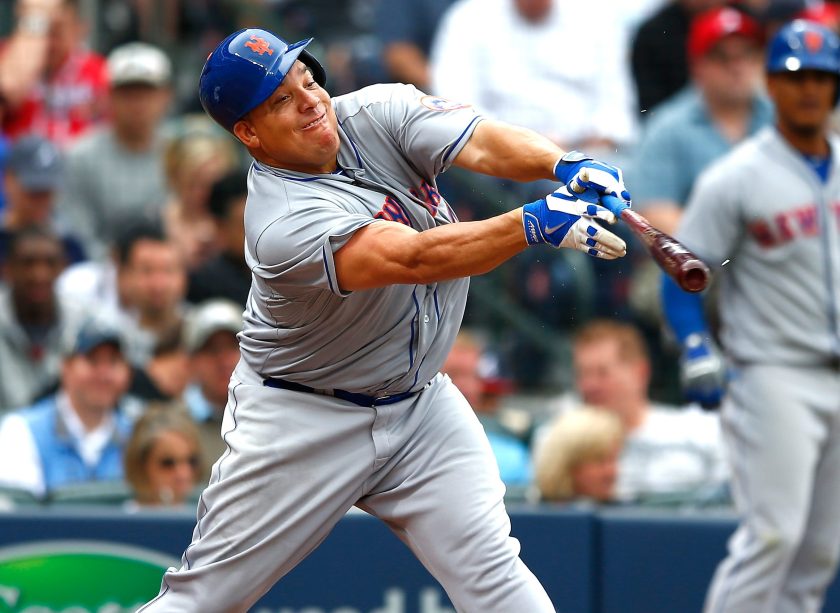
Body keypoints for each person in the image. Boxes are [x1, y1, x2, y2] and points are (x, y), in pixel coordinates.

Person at [138, 27, 630, 611]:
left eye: (306, 79)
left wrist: (561, 162)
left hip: (419, 405)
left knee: (494, 575)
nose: (310, 100)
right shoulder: (278, 224)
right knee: (204, 601)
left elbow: (482, 142)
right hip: (304, 418)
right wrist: (529, 224)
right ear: (248, 133)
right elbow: (416, 257)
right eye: (281, 101)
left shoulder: (374, 109)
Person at [661, 20, 840, 612]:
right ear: (771, 84)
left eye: (821, 76)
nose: (810, 89)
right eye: (795, 77)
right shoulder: (735, 175)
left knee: (820, 550)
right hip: (773, 372)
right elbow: (685, 275)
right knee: (773, 535)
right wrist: (695, 347)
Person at [546, 319, 729, 504]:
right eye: (583, 373)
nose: (589, 385)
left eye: (602, 372)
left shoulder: (699, 430)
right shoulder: (559, 438)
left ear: (640, 373)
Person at [631, 5, 771, 236]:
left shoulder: (778, 117)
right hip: (701, 263)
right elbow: (653, 211)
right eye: (722, 57)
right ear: (698, 65)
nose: (736, 67)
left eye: (746, 54)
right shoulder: (667, 128)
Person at [430, 0, 637, 156]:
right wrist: (526, 145)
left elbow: (615, 103)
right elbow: (455, 106)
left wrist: (593, 145)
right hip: (503, 155)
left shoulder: (596, 16)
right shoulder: (469, 18)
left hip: (587, 152)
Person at [57, 41, 173, 262]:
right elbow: (78, 232)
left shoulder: (178, 153)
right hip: (98, 272)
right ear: (108, 96)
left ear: (166, 95)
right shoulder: (80, 155)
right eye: (127, 93)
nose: (137, 103)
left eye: (146, 92)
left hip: (167, 270)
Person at [0, 317, 132, 498]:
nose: (105, 374)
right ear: (66, 367)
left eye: (114, 362)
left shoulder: (136, 434)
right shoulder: (21, 430)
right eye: (93, 361)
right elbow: (19, 514)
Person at [0, 226, 86, 413]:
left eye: (50, 263)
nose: (39, 275)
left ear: (63, 267)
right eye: (28, 263)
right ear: (7, 269)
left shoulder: (83, 322)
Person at [0, 0, 108, 147]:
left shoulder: (98, 70)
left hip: (77, 164)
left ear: (78, 28)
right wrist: (36, 17)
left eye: (56, 32)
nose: (48, 42)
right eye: (43, 31)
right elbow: (9, 88)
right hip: (19, 164)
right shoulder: (9, 60)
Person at [441, 330, 532, 488]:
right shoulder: (408, 443)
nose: (467, 387)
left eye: (473, 376)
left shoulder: (512, 454)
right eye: (455, 374)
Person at [0, 135, 85, 268]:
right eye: (33, 190)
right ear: (9, 180)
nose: (40, 201)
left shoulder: (69, 245)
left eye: (46, 192)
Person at [181, 298, 243, 463]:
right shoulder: (173, 424)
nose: (223, 360)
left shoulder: (267, 414)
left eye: (232, 347)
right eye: (211, 349)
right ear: (191, 362)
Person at [123, 403, 207, 509]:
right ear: (140, 465)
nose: (183, 474)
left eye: (192, 461)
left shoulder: (209, 520)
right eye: (168, 463)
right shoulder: (120, 521)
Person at [186, 170, 251, 307]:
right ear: (220, 227)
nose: (258, 234)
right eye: (245, 225)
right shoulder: (204, 284)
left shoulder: (290, 272)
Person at [534, 406, 624, 503]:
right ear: (567, 464)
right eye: (600, 461)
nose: (611, 473)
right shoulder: (528, 516)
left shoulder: (625, 513)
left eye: (614, 459)